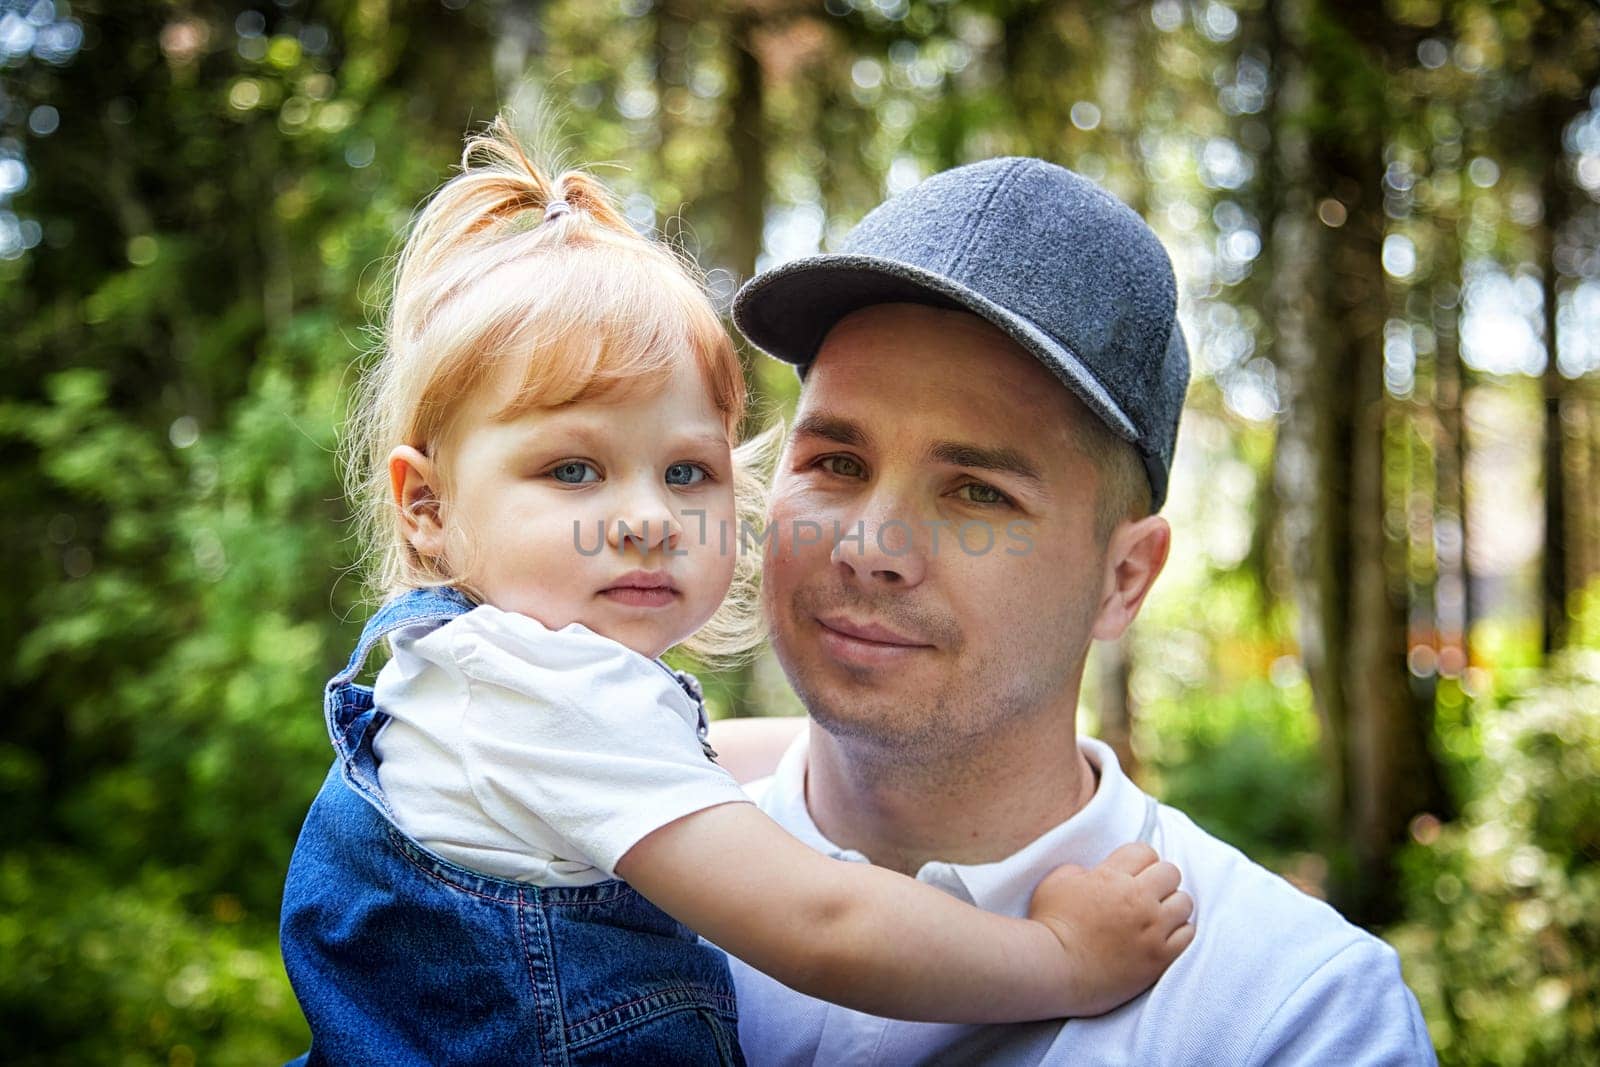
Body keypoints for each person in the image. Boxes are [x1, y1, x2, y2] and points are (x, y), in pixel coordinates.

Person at [278, 121, 1196, 1066]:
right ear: (425, 505)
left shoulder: (498, 684)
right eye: (571, 470)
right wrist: (1061, 956)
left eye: (685, 473)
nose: (645, 519)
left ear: (1126, 576)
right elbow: (824, 923)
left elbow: (692, 749)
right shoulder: (538, 696)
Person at [718, 156, 1437, 1064]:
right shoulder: (588, 867)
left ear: (1124, 578)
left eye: (976, 492)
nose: (870, 547)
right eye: (837, 462)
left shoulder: (1290, 1011)